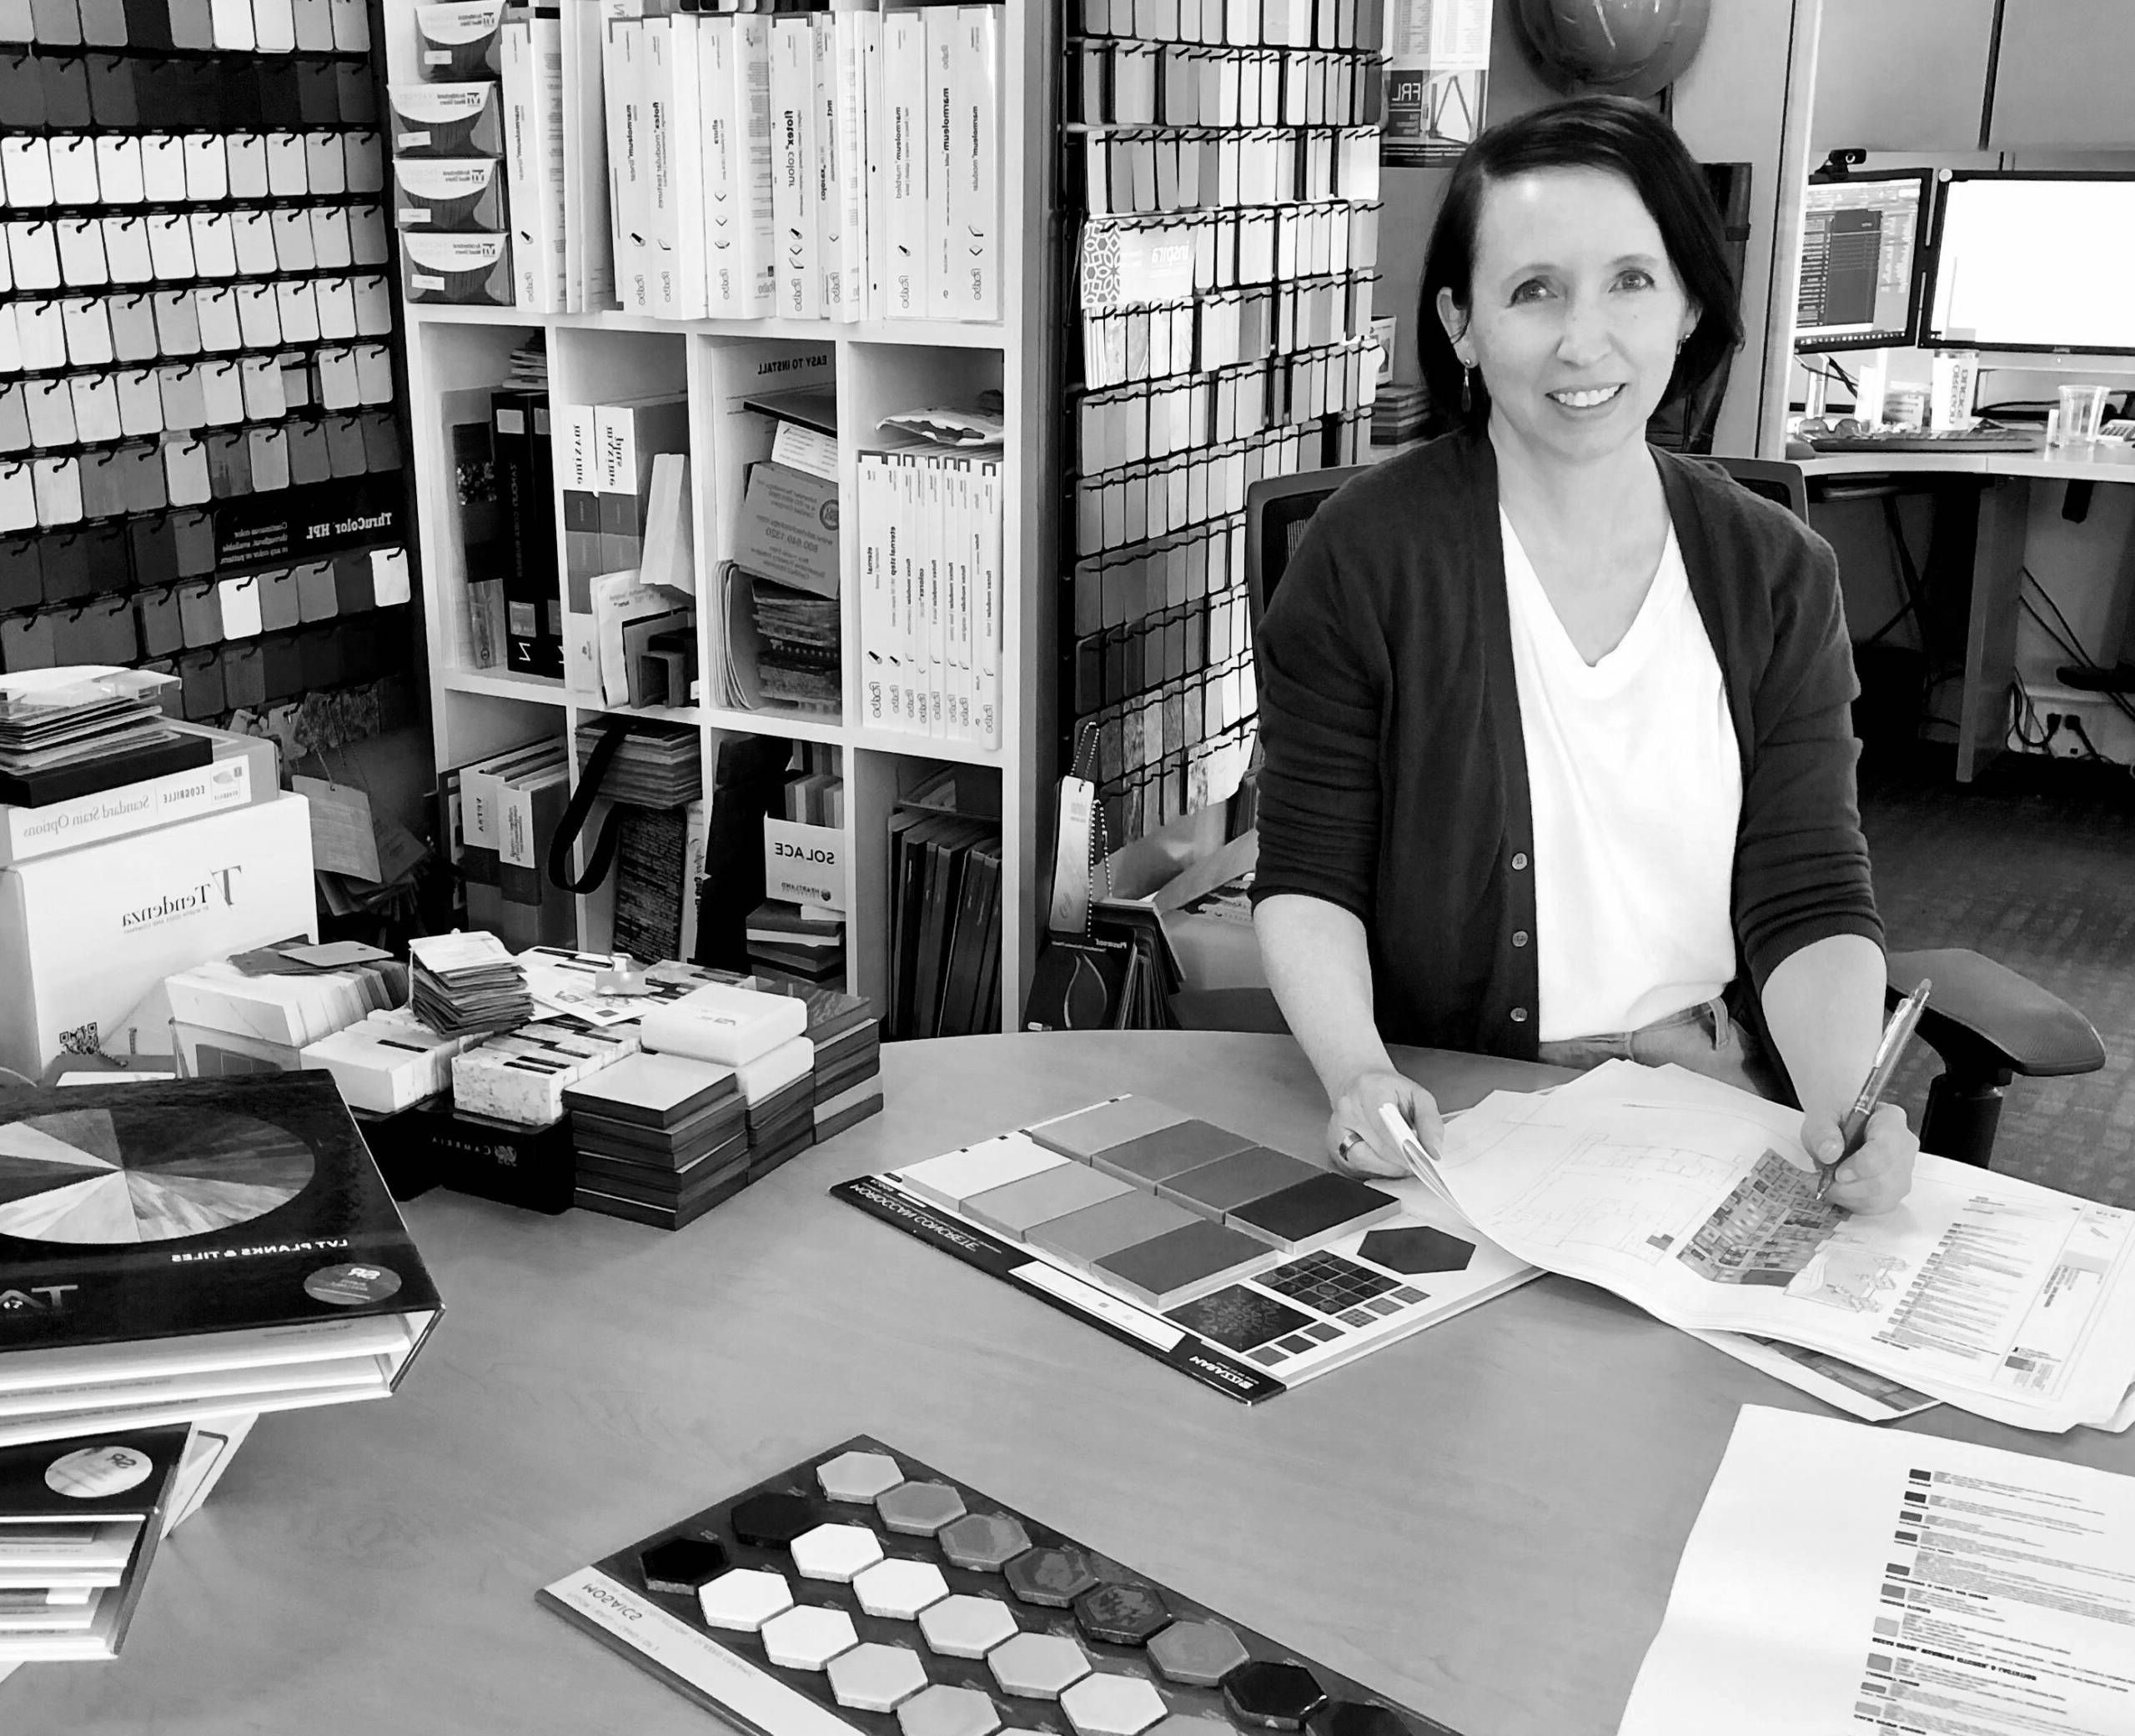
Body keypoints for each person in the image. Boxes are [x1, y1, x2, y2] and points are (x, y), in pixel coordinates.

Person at [1249, 96, 1917, 1214]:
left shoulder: (1777, 574)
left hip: (1709, 1096)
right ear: (1461, 323)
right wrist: (1360, 1070)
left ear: (1691, 299)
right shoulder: (1364, 558)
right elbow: (1309, 879)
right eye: (1533, 290)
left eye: (1630, 281)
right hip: (1458, 1107)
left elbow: (1810, 895)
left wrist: (1843, 1103)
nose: (1584, 339)